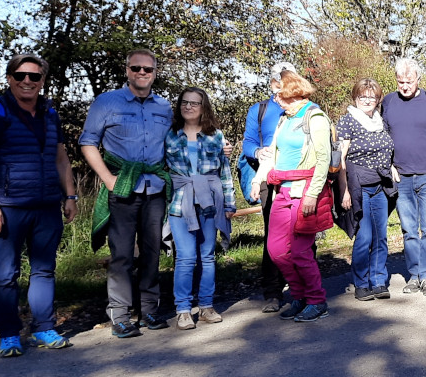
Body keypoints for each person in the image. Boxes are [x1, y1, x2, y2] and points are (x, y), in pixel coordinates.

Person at [0, 53, 78, 356]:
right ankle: (9, 335)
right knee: (6, 274)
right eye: (20, 76)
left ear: (42, 81)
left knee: (44, 270)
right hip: (8, 207)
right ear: (10, 79)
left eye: (34, 76)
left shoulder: (50, 114)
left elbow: (61, 158)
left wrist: (70, 195)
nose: (27, 81)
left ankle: (44, 328)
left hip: (46, 207)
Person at [80, 49, 173, 338]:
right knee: (121, 255)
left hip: (155, 188)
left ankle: (149, 311)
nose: (142, 73)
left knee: (152, 251)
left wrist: (216, 146)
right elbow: (87, 142)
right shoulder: (107, 102)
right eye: (136, 68)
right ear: (127, 70)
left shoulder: (165, 107)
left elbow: (180, 141)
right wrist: (107, 179)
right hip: (122, 188)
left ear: (155, 73)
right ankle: (119, 315)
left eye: (148, 69)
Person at [251, 68, 332, 323]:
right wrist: (257, 178)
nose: (275, 98)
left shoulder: (315, 117)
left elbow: (323, 160)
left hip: (304, 192)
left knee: (300, 251)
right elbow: (272, 154)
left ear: (291, 93)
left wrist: (312, 195)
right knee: (276, 251)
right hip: (281, 192)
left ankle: (316, 300)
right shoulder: (283, 119)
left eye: (278, 94)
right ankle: (298, 296)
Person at [165, 87, 236, 331]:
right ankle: (183, 310)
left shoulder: (215, 136)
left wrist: (229, 203)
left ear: (203, 107)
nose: (189, 107)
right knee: (185, 257)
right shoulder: (171, 135)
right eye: (184, 102)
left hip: (209, 201)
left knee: (207, 257)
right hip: (180, 202)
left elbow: (224, 171)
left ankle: (206, 306)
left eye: (194, 103)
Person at [381, 58, 426, 296]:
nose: (404, 86)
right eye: (400, 82)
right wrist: (388, 164)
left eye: (409, 81)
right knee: (409, 229)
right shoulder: (389, 102)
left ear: (418, 79)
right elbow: (383, 136)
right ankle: (414, 274)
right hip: (401, 177)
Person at [337, 78, 397, 302]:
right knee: (364, 237)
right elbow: (340, 160)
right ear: (355, 98)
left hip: (381, 186)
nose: (368, 101)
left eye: (372, 97)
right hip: (358, 186)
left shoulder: (380, 121)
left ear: (378, 99)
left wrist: (391, 168)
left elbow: (386, 150)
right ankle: (361, 283)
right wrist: (344, 191)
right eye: (363, 96)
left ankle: (379, 280)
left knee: (381, 236)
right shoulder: (347, 122)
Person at [240, 62, 291, 312]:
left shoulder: (305, 109)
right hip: (268, 179)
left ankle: (303, 288)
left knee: (303, 234)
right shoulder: (258, 110)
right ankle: (272, 292)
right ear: (272, 84)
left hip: (298, 179)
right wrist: (259, 152)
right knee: (274, 235)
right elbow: (248, 143)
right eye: (281, 81)